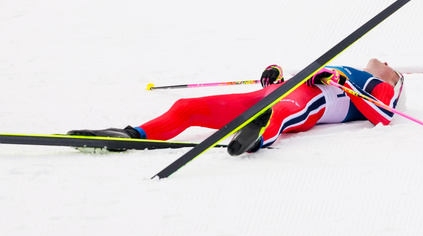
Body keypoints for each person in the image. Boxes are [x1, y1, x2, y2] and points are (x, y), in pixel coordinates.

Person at [68, 58, 403, 155]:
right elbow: (283, 84)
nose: (381, 61)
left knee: (283, 108)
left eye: (387, 65)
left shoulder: (380, 86)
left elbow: (384, 116)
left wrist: (348, 87)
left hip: (309, 103)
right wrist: (271, 78)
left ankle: (258, 135)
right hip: (279, 92)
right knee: (186, 107)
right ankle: (133, 134)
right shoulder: (351, 69)